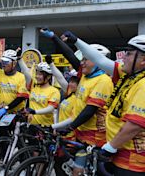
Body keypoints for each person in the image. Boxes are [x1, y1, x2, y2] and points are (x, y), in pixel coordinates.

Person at [64, 33, 145, 175]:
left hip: (132, 162)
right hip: (119, 154)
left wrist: (110, 147)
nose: (123, 57)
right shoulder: (130, 76)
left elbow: (135, 125)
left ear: (143, 60)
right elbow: (100, 60)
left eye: (129, 54)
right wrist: (76, 41)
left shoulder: (143, 84)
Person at [41, 28, 114, 176]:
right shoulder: (85, 76)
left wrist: (70, 127)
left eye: (86, 59)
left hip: (96, 139)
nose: (82, 63)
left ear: (99, 61)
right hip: (81, 134)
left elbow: (90, 109)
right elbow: (70, 56)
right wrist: (55, 38)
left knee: (78, 172)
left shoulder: (103, 80)